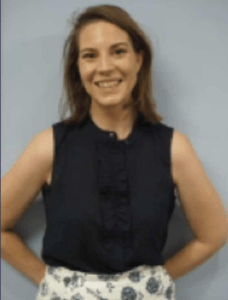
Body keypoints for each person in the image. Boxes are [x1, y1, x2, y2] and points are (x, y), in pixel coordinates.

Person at [1, 4, 227, 300]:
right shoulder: (49, 147)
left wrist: (154, 282)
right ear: (78, 67)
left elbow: (214, 234)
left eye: (118, 51)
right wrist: (48, 281)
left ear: (139, 59)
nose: (104, 67)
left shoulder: (174, 149)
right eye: (90, 55)